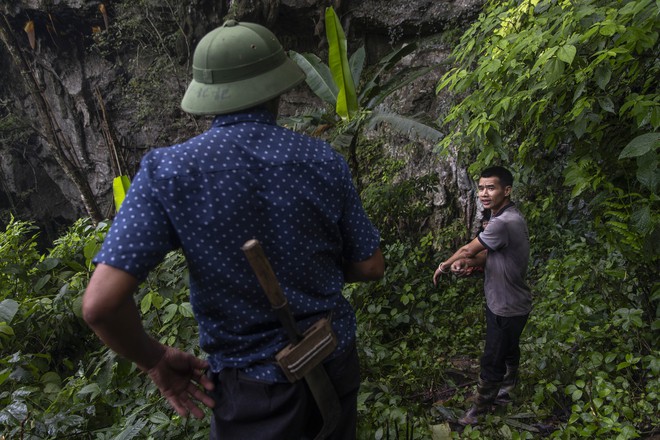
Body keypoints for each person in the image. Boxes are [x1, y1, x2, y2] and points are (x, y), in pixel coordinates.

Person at [82, 20, 384, 440]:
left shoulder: (169, 171)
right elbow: (370, 265)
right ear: (277, 87)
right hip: (332, 361)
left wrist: (155, 359)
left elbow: (101, 305)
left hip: (252, 393)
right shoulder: (323, 159)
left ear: (206, 96)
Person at [432, 166, 531, 425]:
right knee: (508, 352)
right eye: (481, 188)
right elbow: (488, 254)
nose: (484, 193)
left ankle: (479, 411)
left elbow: (467, 248)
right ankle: (505, 395)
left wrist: (444, 265)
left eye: (491, 187)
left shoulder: (503, 222)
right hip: (508, 301)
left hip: (506, 305)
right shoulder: (503, 217)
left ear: (506, 190)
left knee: (492, 358)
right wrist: (472, 265)